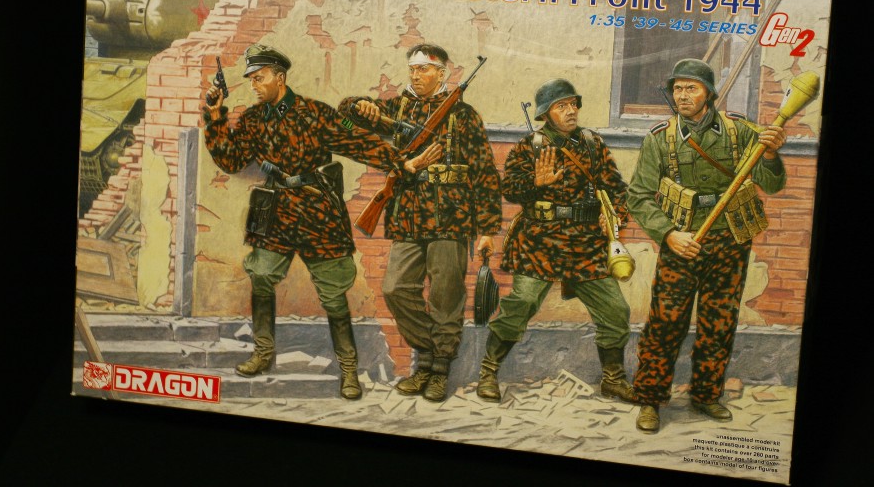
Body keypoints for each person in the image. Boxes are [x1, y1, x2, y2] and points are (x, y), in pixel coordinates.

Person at [203, 44, 438, 400]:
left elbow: (357, 141)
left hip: (317, 212)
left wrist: (399, 162)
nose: (254, 85)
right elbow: (231, 160)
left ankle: (348, 369)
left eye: (260, 78)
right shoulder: (253, 119)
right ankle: (263, 353)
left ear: (280, 78)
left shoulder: (315, 112)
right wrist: (215, 114)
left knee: (332, 293)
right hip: (276, 210)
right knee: (262, 276)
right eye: (251, 79)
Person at [627, 58, 786, 433]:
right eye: (677, 89)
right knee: (665, 323)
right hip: (682, 240)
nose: (682, 96)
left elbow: (772, 184)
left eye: (691, 88)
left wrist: (770, 154)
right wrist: (669, 234)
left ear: (709, 93)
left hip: (728, 240)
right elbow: (638, 197)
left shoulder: (739, 132)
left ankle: (706, 395)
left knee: (719, 322)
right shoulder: (660, 138)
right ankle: (650, 399)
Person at [340, 43, 502, 402]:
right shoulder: (396, 108)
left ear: (441, 73)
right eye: (412, 69)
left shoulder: (463, 115)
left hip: (451, 217)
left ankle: (438, 370)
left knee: (446, 296)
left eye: (424, 69)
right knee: (395, 288)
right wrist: (358, 106)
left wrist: (488, 229)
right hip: (409, 215)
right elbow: (345, 120)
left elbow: (484, 173)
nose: (416, 75)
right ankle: (427, 354)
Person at [474, 79, 636, 404]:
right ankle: (488, 373)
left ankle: (614, 379)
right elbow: (511, 190)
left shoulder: (592, 143)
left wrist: (615, 214)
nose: (571, 110)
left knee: (616, 310)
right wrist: (536, 181)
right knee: (521, 303)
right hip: (540, 241)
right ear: (546, 113)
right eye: (562, 106)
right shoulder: (529, 146)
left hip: (586, 244)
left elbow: (616, 188)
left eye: (573, 104)